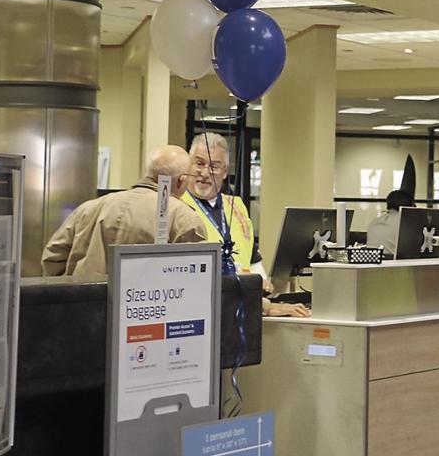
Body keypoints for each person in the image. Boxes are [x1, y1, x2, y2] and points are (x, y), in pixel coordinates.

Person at [182, 133, 309, 318]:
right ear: (188, 165)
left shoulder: (236, 206)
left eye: (214, 166)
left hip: (243, 306)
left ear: (225, 172)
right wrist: (265, 306)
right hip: (203, 309)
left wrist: (260, 283)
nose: (205, 173)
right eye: (199, 163)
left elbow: (252, 257)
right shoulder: (177, 206)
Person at [42, 145, 207, 276]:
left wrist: (70, 291)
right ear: (181, 180)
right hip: (147, 307)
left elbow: (52, 257)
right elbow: (197, 276)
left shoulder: (88, 208)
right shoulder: (183, 218)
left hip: (86, 305)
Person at [365, 189, 412, 257]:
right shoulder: (405, 222)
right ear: (409, 205)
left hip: (370, 260)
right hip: (394, 262)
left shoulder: (374, 221)